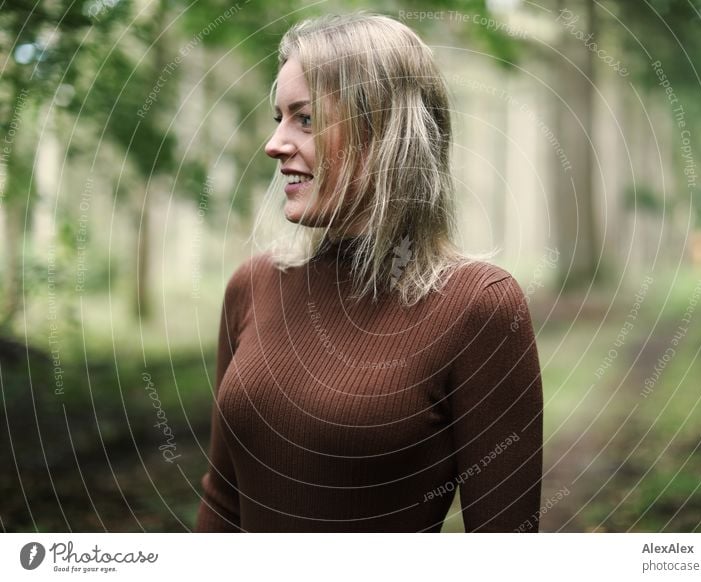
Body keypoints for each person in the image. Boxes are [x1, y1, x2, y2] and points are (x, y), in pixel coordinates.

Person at [195, 12, 544, 533]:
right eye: (279, 118)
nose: (275, 143)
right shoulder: (253, 285)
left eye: (305, 119)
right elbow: (223, 504)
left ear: (382, 133)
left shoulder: (479, 306)